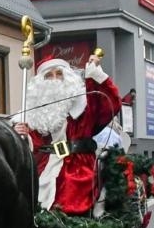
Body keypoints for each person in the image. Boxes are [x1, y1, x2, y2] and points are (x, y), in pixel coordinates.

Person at [13, 55, 121, 213]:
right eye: (49, 76)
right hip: (44, 165)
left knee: (68, 195)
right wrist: (19, 135)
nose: (55, 79)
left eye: (59, 74)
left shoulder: (84, 106)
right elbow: (32, 146)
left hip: (78, 166)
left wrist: (94, 74)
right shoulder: (33, 114)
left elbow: (109, 102)